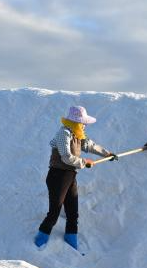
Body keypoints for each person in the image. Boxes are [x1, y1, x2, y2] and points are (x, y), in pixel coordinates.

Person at [34, 105, 117, 251]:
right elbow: (66, 157)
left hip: (70, 176)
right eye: (83, 123)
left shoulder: (78, 134)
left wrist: (107, 153)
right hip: (57, 176)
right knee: (55, 211)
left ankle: (71, 237)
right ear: (77, 122)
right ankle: (41, 238)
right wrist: (84, 162)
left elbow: (90, 145)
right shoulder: (64, 133)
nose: (85, 125)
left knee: (73, 211)